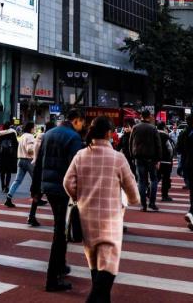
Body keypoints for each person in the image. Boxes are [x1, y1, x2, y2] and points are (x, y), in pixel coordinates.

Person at [63, 117, 139, 303]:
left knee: (95, 265)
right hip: (110, 220)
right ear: (108, 133)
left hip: (86, 216)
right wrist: (131, 200)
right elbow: (133, 192)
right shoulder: (118, 158)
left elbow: (67, 182)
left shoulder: (81, 155)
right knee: (108, 268)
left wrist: (79, 197)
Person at [33, 109, 86, 292]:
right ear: (76, 120)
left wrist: (35, 189)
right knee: (60, 233)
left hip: (49, 188)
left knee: (60, 229)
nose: (83, 126)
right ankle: (52, 278)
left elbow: (39, 162)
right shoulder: (73, 138)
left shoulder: (49, 134)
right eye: (82, 122)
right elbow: (77, 168)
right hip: (63, 189)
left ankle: (61, 266)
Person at [129, 109, 163, 212]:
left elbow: (131, 143)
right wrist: (158, 159)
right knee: (153, 180)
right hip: (151, 158)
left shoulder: (135, 128)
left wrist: (132, 156)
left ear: (141, 116)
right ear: (149, 116)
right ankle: (152, 203)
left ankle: (143, 205)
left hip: (138, 158)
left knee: (141, 181)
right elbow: (158, 145)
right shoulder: (153, 128)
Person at [27, 120, 56, 227]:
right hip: (47, 169)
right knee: (52, 196)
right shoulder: (49, 139)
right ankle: (58, 220)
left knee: (37, 194)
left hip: (38, 168)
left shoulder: (39, 138)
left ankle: (31, 216)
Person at [5, 122, 36, 206]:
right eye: (34, 127)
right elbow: (30, 150)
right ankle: (36, 198)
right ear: (31, 128)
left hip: (20, 160)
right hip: (29, 160)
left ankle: (9, 197)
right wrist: (36, 150)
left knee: (17, 180)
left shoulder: (22, 136)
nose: (35, 129)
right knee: (36, 179)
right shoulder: (30, 136)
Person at [0, 123, 19, 193]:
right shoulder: (12, 134)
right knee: (8, 172)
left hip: (1, 155)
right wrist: (17, 154)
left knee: (2, 171)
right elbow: (16, 144)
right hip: (10, 155)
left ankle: (3, 186)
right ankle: (7, 186)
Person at [157, 123, 176, 202]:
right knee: (165, 178)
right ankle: (164, 195)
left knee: (155, 178)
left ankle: (149, 191)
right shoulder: (165, 136)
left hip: (156, 161)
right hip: (166, 160)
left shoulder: (154, 134)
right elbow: (170, 148)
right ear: (164, 128)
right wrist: (170, 157)